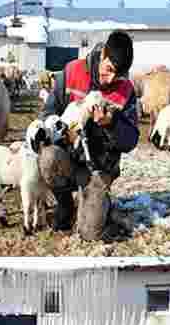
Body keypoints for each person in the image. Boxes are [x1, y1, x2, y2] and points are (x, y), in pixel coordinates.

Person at [39, 31, 139, 233]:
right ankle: (65, 205)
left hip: (98, 168)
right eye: (109, 69)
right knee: (48, 157)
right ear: (103, 54)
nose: (110, 78)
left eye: (117, 74)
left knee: (89, 233)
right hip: (68, 158)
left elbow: (131, 140)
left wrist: (111, 124)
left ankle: (103, 205)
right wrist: (54, 124)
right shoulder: (73, 71)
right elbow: (49, 110)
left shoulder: (126, 91)